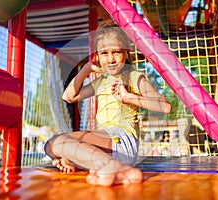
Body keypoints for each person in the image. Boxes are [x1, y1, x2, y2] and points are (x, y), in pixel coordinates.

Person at [44, 20, 172, 187]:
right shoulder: (100, 82)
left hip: (122, 140)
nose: (110, 59)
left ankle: (118, 170)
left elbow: (165, 106)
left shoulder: (133, 76)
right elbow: (68, 97)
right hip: (105, 143)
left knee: (59, 142)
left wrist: (129, 97)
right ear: (98, 55)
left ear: (126, 52)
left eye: (116, 52)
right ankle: (87, 162)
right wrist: (86, 69)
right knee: (50, 146)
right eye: (104, 53)